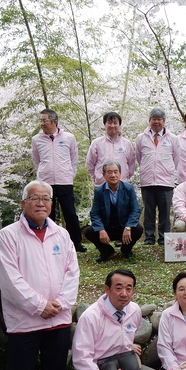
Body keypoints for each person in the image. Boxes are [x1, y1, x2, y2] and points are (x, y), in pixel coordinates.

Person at [0, 180, 80, 370]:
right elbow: (10, 279)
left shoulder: (62, 235)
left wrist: (62, 303)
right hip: (25, 320)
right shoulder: (8, 236)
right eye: (35, 198)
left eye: (46, 198)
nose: (41, 203)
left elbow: (72, 272)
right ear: (23, 203)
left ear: (52, 204)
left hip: (58, 318)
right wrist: (39, 305)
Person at [72, 269, 161, 370]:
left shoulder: (133, 310)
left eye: (129, 288)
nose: (124, 294)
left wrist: (128, 345)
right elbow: (82, 357)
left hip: (121, 363)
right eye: (118, 288)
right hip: (96, 365)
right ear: (107, 289)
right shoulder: (91, 317)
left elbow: (124, 332)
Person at [31, 108, 86, 252]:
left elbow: (74, 159)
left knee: (70, 213)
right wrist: (41, 175)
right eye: (41, 120)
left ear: (54, 122)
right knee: (47, 213)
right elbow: (36, 161)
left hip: (65, 181)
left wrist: (69, 174)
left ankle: (76, 243)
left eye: (45, 120)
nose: (42, 123)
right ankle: (47, 241)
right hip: (45, 183)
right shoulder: (36, 139)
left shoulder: (69, 137)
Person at [135, 108, 180, 245]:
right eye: (154, 119)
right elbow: (139, 157)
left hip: (166, 181)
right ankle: (149, 238)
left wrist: (168, 171)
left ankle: (163, 238)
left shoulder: (173, 138)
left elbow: (176, 159)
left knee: (165, 212)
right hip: (147, 181)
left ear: (164, 122)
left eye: (159, 119)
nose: (156, 122)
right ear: (149, 121)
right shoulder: (141, 138)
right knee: (149, 211)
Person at [84, 161, 143, 262]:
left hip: (124, 227)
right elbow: (95, 213)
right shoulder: (99, 191)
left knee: (138, 229)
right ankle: (106, 251)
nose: (113, 175)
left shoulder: (128, 189)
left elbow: (135, 210)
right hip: (107, 228)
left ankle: (126, 249)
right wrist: (101, 229)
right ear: (104, 175)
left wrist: (128, 227)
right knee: (89, 231)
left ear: (120, 174)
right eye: (109, 172)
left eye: (116, 172)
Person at [85, 112, 135, 187]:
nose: (112, 126)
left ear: (119, 125)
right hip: (102, 184)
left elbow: (132, 163)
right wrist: (98, 176)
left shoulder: (126, 143)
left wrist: (126, 176)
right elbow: (90, 163)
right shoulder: (96, 143)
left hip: (122, 184)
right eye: (109, 123)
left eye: (115, 123)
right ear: (104, 124)